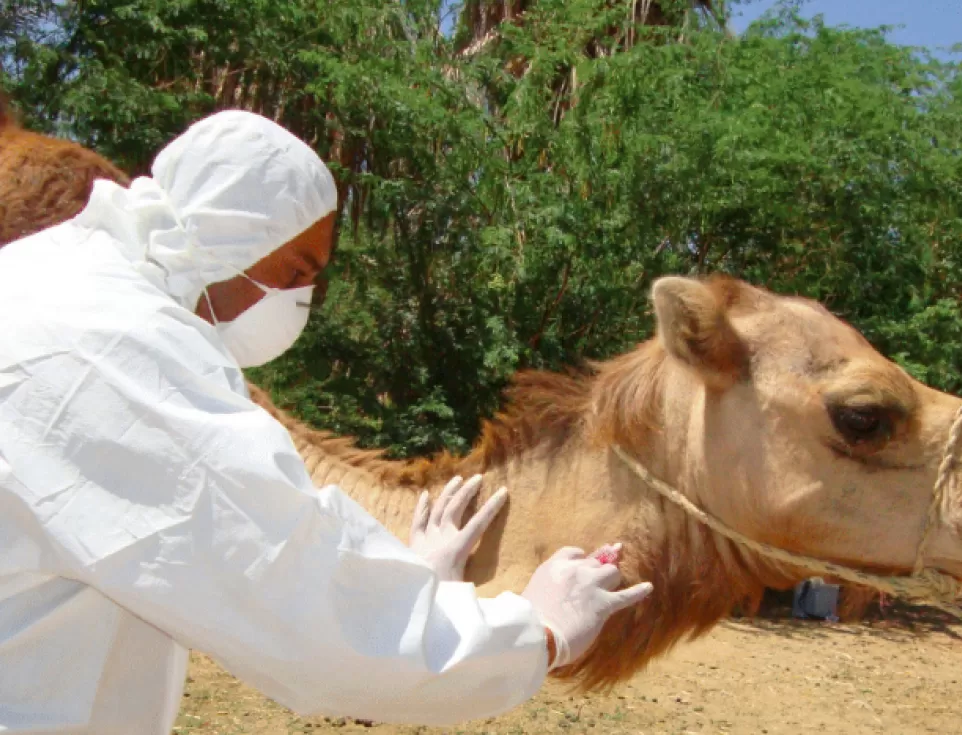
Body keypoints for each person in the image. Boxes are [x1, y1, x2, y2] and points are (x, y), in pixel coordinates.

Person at [0, 109, 653, 735]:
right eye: (296, 271)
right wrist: (536, 629)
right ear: (232, 232)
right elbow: (293, 603)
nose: (301, 300)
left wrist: (406, 575)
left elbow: (234, 536)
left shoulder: (60, 280)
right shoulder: (119, 349)